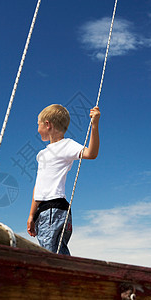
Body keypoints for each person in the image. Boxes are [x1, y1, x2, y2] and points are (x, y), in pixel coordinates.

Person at [27, 104, 100, 255]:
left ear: (47, 124)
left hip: (55, 210)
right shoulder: (42, 155)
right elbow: (39, 186)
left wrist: (94, 125)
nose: (37, 128)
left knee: (50, 258)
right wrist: (31, 215)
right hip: (45, 211)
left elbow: (91, 153)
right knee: (58, 254)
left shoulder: (67, 145)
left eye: (38, 124)